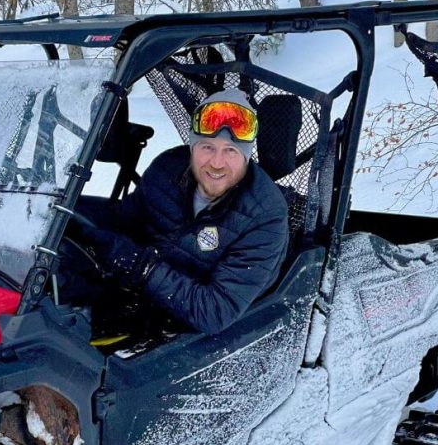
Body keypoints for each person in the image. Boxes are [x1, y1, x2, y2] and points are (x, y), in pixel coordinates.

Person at [78, 89, 289, 336]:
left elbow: (215, 312)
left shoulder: (265, 216)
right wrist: (68, 217)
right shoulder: (167, 169)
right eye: (207, 147)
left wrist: (144, 268)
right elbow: (124, 220)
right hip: (140, 296)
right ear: (192, 146)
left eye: (231, 150)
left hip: (196, 330)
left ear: (246, 156)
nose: (217, 163)